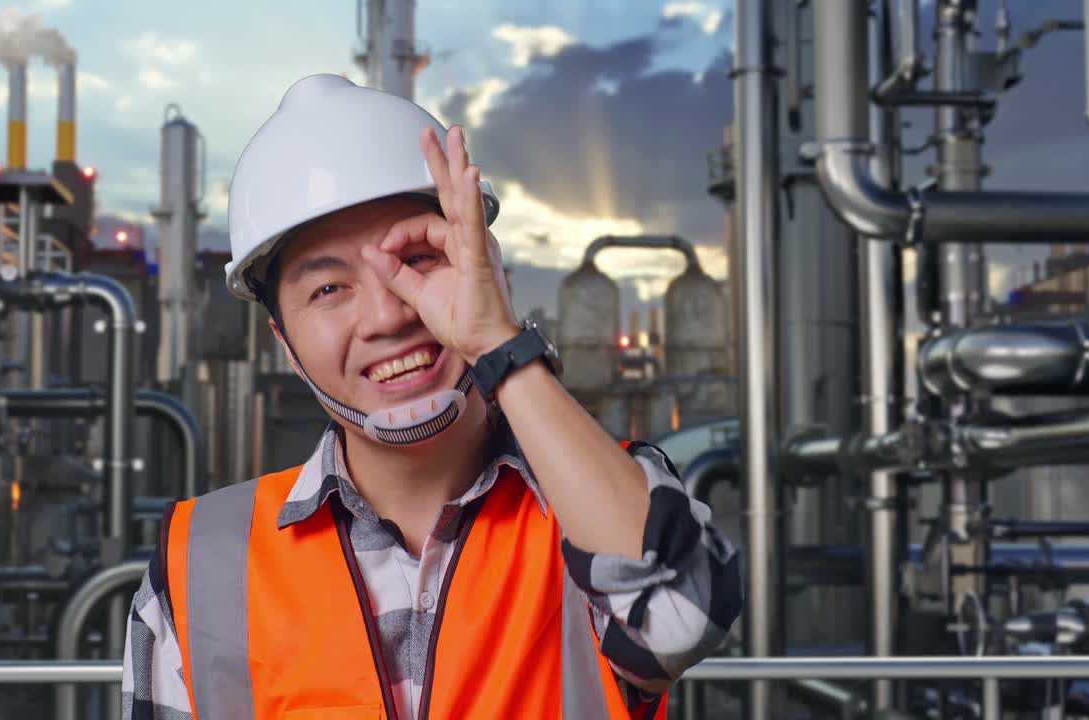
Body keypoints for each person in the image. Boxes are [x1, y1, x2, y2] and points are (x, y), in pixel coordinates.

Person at [121, 73, 741, 720]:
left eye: (416, 259)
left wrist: (498, 345)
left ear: (486, 268)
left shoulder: (598, 500)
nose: (389, 316)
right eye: (328, 289)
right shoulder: (200, 562)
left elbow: (684, 618)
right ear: (282, 337)